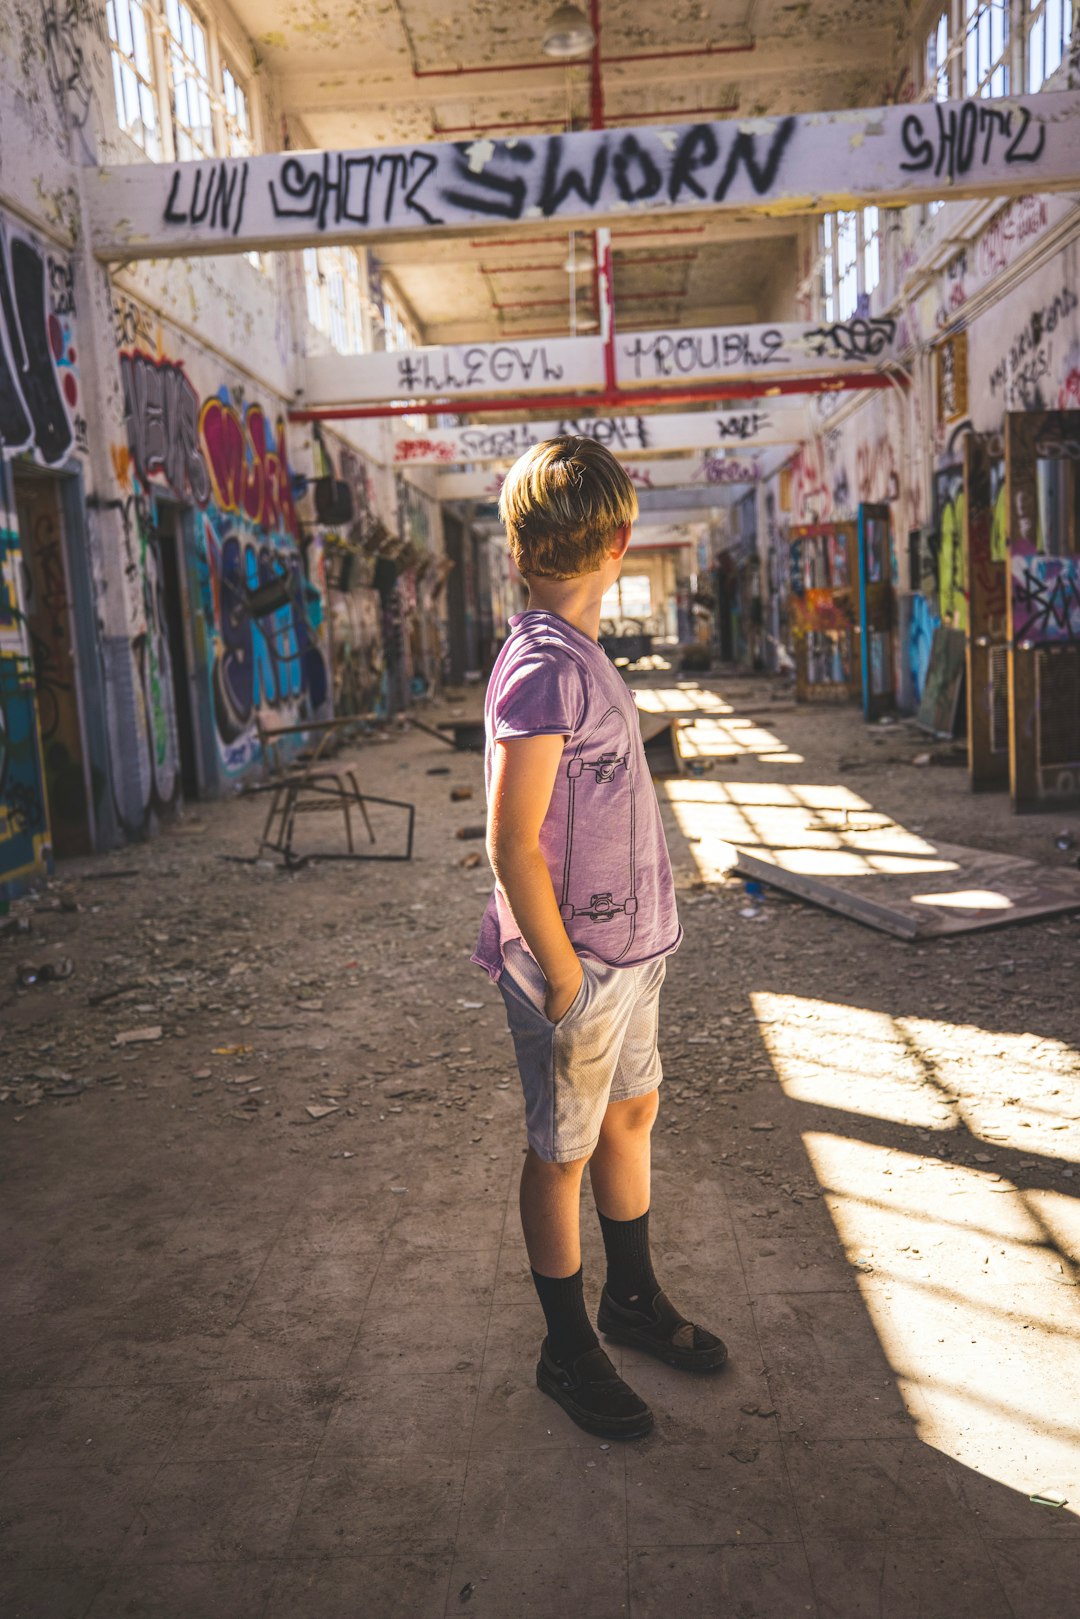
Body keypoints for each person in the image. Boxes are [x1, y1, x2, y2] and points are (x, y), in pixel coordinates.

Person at [472, 437, 728, 1441]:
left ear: (515, 547)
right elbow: (508, 842)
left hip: (628, 956)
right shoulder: (539, 669)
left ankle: (629, 1294)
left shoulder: (572, 653)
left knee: (629, 1116)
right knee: (561, 1153)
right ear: (623, 542)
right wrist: (569, 980)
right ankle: (564, 1345)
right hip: (577, 966)